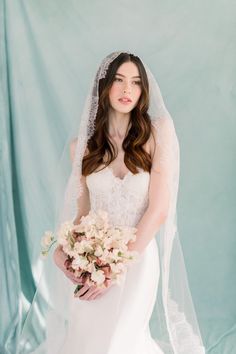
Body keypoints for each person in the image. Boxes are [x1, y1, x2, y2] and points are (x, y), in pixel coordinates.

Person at [19, 51, 206, 354]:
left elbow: (158, 211)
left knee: (120, 342)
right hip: (92, 263)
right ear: (104, 87)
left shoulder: (158, 132)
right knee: (88, 341)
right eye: (118, 80)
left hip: (137, 259)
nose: (127, 90)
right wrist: (63, 251)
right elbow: (82, 213)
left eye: (135, 82)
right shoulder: (82, 146)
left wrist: (113, 269)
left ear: (144, 91)